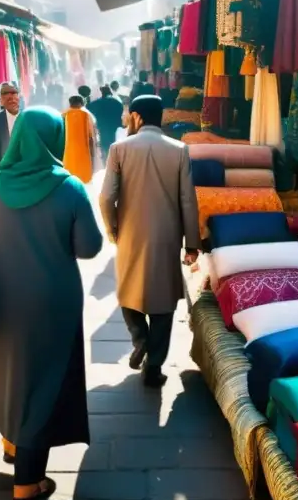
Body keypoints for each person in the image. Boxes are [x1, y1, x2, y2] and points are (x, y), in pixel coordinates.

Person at [0, 107, 103, 500]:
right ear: (54, 139)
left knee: (9, 371)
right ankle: (27, 481)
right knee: (44, 379)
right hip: (53, 301)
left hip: (0, 298)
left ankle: (12, 444)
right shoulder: (70, 188)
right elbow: (89, 248)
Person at [99, 95, 201, 387]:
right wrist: (191, 243)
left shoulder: (119, 148)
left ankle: (139, 338)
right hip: (168, 236)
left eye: (128, 115)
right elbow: (188, 201)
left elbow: (107, 197)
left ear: (138, 117)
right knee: (163, 303)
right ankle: (153, 367)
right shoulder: (179, 150)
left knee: (127, 290)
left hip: (130, 233)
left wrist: (113, 229)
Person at [62, 95, 97, 183]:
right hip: (84, 154)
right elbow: (92, 136)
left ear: (70, 103)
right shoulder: (87, 114)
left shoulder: (63, 114)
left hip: (67, 154)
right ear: (82, 103)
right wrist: (93, 153)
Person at [87, 85, 124, 162]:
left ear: (101, 92)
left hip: (102, 126)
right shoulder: (116, 102)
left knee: (104, 145)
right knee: (114, 142)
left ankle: (106, 163)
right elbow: (121, 111)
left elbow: (88, 108)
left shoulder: (97, 102)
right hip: (114, 127)